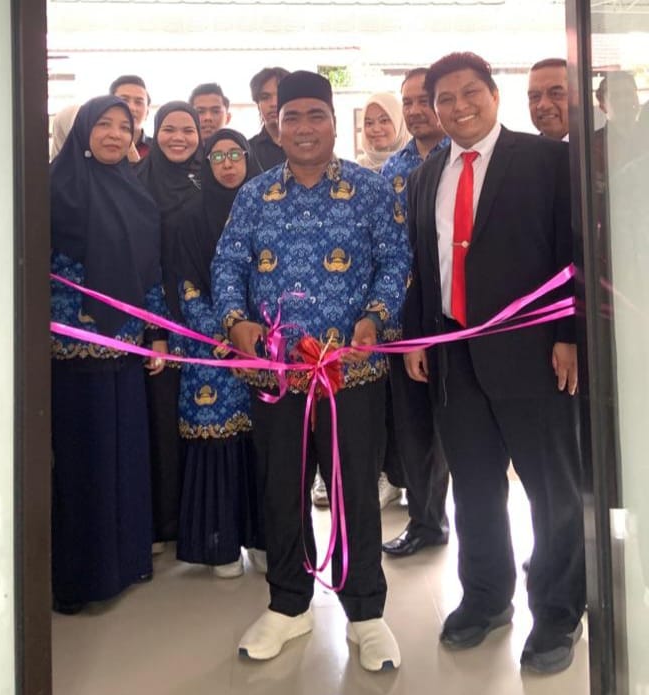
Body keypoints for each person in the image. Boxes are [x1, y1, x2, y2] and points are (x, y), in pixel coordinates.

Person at [212, 70, 409, 672]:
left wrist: (375, 318)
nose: (303, 127)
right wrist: (236, 322)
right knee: (282, 491)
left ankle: (366, 613)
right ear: (276, 126)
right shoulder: (255, 195)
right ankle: (289, 605)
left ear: (332, 122)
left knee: (355, 492)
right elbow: (227, 264)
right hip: (277, 380)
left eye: (315, 115)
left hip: (350, 375)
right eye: (290, 117)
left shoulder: (370, 189)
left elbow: (395, 261)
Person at [403, 52, 585, 674]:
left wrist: (568, 335)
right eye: (445, 99)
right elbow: (425, 265)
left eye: (469, 93)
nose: (458, 107)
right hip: (453, 356)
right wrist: (419, 338)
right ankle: (485, 598)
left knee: (551, 491)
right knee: (475, 488)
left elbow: (571, 253)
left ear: (493, 93)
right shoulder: (426, 175)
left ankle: (558, 612)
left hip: (533, 354)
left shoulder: (546, 161)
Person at [50, 95, 169, 613]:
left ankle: (126, 563)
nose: (116, 135)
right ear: (83, 132)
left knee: (125, 455)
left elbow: (150, 270)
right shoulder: (52, 191)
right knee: (84, 463)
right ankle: (83, 578)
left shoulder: (136, 194)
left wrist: (157, 332)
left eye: (125, 126)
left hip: (125, 347)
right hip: (72, 354)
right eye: (105, 124)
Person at [173, 128, 265, 578]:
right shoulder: (189, 217)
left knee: (266, 445)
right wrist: (225, 336)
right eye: (217, 157)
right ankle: (221, 545)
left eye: (235, 154)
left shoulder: (269, 208)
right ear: (206, 164)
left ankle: (266, 538)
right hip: (212, 348)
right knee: (219, 444)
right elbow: (187, 286)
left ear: (249, 158)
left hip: (267, 345)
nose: (228, 164)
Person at [379, 68, 452, 556]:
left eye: (424, 100)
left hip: (458, 315)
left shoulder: (462, 157)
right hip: (405, 316)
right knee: (414, 425)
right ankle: (427, 521)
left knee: (464, 428)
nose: (415, 110)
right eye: (408, 102)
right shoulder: (392, 169)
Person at [135, 102, 203, 551]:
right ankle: (163, 524)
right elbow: (139, 261)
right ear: (156, 133)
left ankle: (201, 523)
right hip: (157, 319)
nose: (179, 138)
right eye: (170, 129)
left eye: (188, 130)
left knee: (202, 419)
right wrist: (155, 328)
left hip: (203, 322)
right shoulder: (138, 183)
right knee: (161, 421)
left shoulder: (209, 179)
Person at [248, 67, 290, 171]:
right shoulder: (248, 151)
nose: (274, 104)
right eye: (265, 97)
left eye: (280, 95)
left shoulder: (307, 145)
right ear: (258, 104)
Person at [356, 92, 410, 173]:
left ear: (399, 124)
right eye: (369, 123)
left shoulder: (415, 166)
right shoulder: (357, 169)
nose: (376, 129)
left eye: (384, 121)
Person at [109, 74, 152, 161]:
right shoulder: (98, 145)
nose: (131, 108)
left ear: (147, 112)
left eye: (138, 102)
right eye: (124, 100)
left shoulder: (158, 150)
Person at [527, 58, 569, 141]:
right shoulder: (524, 148)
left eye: (555, 94)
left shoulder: (594, 147)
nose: (543, 105)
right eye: (535, 96)